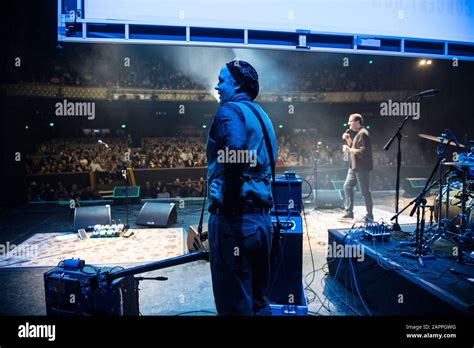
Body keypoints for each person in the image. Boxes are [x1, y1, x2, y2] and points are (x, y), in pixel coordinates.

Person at [206, 59, 277, 315]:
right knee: (259, 302)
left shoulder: (229, 111)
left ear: (237, 84)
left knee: (235, 306)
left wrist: (227, 191)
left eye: (222, 81)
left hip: (236, 224)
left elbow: (235, 151)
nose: (217, 86)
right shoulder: (262, 116)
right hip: (261, 224)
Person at [341, 113, 374, 220]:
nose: (349, 123)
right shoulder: (358, 134)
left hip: (362, 167)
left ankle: (369, 214)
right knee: (347, 186)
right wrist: (348, 140)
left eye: (351, 121)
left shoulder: (363, 133)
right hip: (354, 167)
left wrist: (349, 150)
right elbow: (354, 147)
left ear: (357, 122)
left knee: (365, 191)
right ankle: (349, 212)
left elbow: (363, 151)